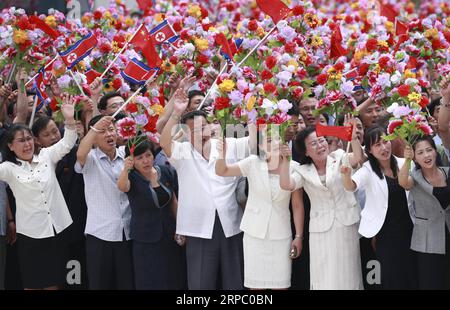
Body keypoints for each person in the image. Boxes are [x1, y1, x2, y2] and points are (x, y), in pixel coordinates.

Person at [160, 89, 249, 290]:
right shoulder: (182, 152)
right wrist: (176, 113)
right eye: (196, 130)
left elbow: (254, 141)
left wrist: (249, 112)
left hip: (230, 224)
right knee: (201, 284)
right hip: (198, 228)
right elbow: (164, 142)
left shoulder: (228, 145)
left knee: (234, 283)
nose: (203, 133)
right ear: (186, 134)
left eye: (204, 127)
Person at [0, 95, 77, 289]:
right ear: (10, 146)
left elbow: (67, 143)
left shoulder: (46, 156)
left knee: (57, 283)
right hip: (31, 235)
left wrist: (69, 119)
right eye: (20, 141)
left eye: (28, 139)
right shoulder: (8, 168)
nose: (26, 144)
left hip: (57, 229)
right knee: (33, 284)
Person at [279, 117, 364, 290]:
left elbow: (357, 158)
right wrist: (285, 161)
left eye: (322, 140)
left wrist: (353, 137)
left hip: (345, 224)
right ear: (306, 151)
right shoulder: (302, 170)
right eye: (313, 144)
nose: (320, 146)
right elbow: (286, 185)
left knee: (348, 273)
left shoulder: (339, 156)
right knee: (323, 275)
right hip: (320, 229)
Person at [215, 132, 304, 289]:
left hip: (281, 235)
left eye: (278, 138)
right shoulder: (252, 162)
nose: (275, 143)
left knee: (281, 285)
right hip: (254, 234)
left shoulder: (295, 167)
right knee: (255, 287)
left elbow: (297, 205)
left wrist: (298, 236)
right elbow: (222, 171)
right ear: (261, 146)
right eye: (269, 140)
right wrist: (221, 154)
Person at [341, 126, 417, 289]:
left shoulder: (405, 162)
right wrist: (346, 175)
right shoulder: (368, 170)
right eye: (377, 145)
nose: (384, 148)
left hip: (410, 229)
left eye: (385, 142)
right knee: (391, 278)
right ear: (369, 150)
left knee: (412, 275)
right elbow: (351, 186)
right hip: (386, 234)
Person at [117, 139, 186, 290]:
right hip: (145, 239)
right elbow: (122, 187)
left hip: (169, 235)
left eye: (148, 155)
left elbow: (173, 201)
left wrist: (181, 227)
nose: (145, 161)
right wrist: (125, 170)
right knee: (150, 281)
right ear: (132, 160)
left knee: (173, 277)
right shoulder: (132, 178)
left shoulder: (165, 171)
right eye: (139, 158)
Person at [75, 115, 134, 290]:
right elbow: (80, 153)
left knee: (127, 284)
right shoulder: (90, 158)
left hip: (127, 232)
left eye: (111, 129)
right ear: (93, 137)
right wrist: (94, 129)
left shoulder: (127, 154)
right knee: (100, 284)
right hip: (100, 234)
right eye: (102, 131)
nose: (109, 134)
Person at [31, 116, 88, 289]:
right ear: (37, 140)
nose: (54, 136)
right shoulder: (36, 162)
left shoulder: (74, 154)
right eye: (46, 135)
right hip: (49, 232)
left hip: (75, 229)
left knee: (75, 277)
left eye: (55, 130)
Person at [399, 136, 450, 289]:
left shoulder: (447, 172)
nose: (426, 155)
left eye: (429, 150)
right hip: (428, 243)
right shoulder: (414, 177)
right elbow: (403, 182)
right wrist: (407, 160)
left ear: (436, 151)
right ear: (415, 157)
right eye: (420, 152)